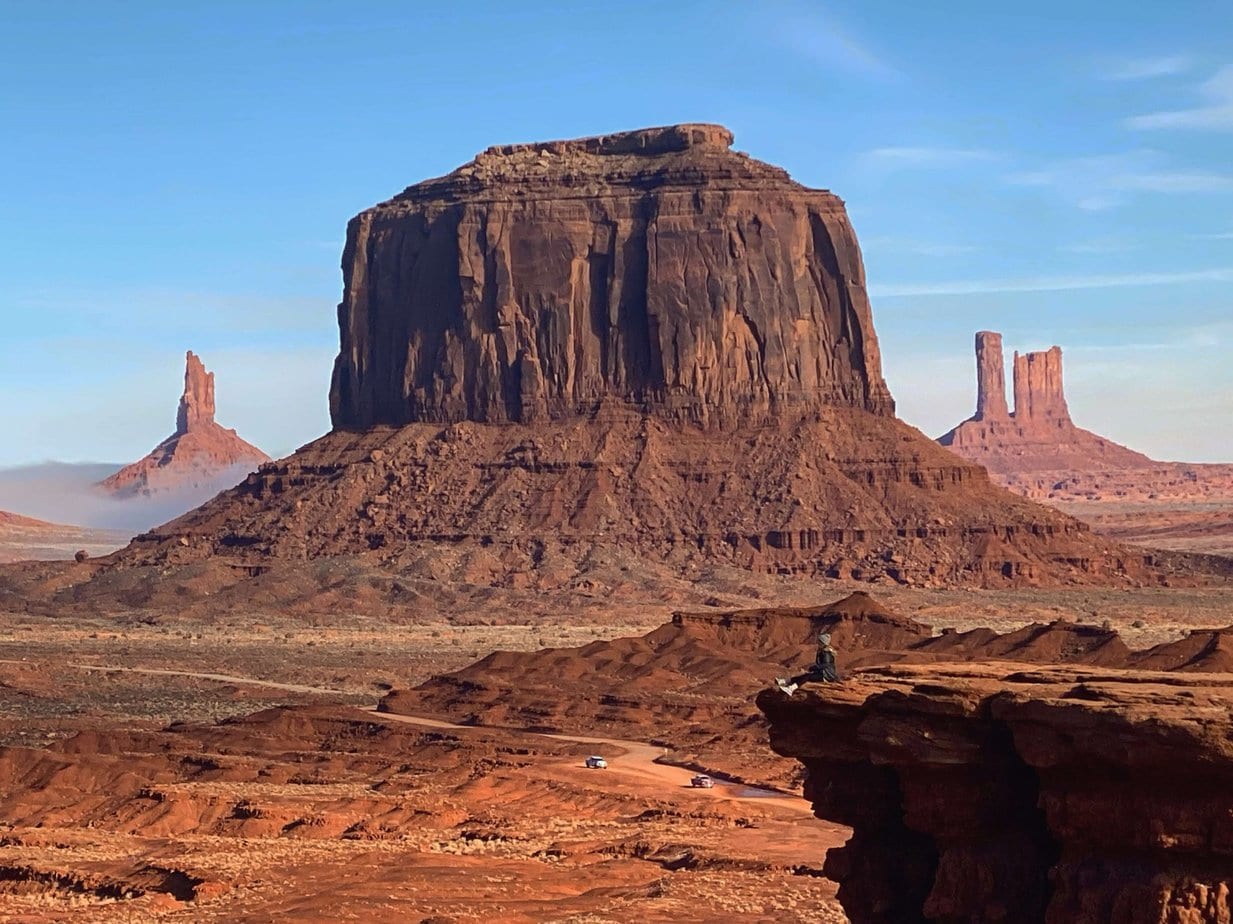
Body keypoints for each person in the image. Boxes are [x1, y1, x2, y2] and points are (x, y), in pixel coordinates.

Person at [775, 632, 840, 695]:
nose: (818, 643)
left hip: (826, 676)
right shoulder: (822, 651)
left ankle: (791, 689)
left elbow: (826, 665)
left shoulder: (826, 653)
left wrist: (815, 668)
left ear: (823, 643)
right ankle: (785, 682)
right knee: (804, 676)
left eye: (819, 641)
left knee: (807, 677)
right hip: (822, 673)